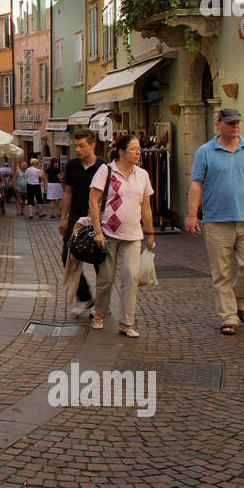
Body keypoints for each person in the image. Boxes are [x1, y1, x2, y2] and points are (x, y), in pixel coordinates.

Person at [186, 107, 244, 335]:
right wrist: (191, 215)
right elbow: (196, 183)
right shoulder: (205, 152)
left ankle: (239, 301)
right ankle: (228, 317)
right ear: (219, 124)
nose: (235, 126)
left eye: (237, 122)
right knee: (221, 273)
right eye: (230, 123)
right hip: (216, 222)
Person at [89, 134, 156, 337]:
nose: (138, 152)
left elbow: (146, 207)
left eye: (139, 149)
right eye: (134, 149)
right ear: (121, 151)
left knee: (131, 276)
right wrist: (98, 232)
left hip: (133, 234)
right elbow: (93, 201)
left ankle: (127, 323)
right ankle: (99, 314)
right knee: (106, 278)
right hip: (108, 234)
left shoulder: (142, 174)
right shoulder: (106, 171)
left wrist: (150, 232)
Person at [58, 130, 101, 313]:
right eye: (76, 146)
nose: (78, 149)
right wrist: (63, 218)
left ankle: (101, 303)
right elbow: (68, 193)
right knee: (67, 256)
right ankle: (85, 297)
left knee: (100, 261)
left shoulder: (104, 167)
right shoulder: (72, 166)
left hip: (97, 219)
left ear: (93, 145)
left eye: (82, 145)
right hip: (76, 220)